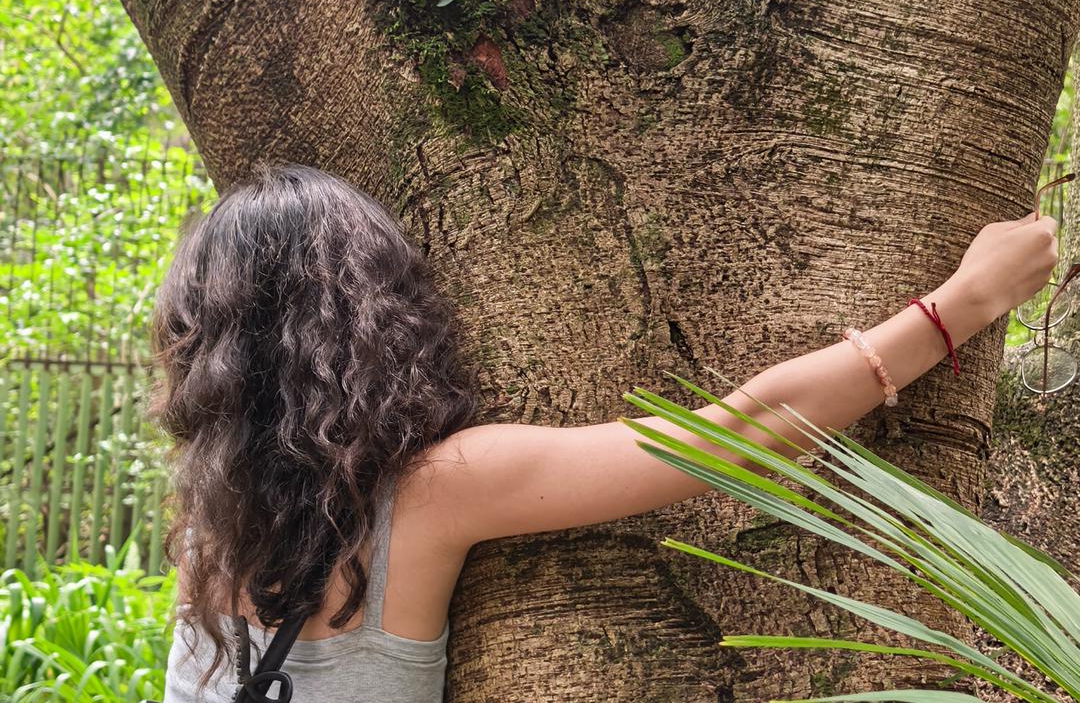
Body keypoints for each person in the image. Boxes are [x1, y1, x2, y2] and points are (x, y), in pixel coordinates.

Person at [159, 162, 1057, 702]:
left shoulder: (209, 536)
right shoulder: (435, 489)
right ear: (370, 319)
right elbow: (731, 435)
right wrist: (961, 306)